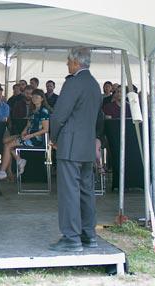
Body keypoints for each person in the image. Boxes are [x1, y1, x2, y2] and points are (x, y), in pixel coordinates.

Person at [48, 48, 101, 252]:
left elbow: (60, 114)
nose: (67, 64)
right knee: (86, 191)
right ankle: (89, 234)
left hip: (70, 143)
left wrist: (54, 138)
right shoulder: (94, 84)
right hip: (87, 144)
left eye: (69, 61)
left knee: (69, 191)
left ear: (77, 63)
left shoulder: (73, 83)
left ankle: (71, 237)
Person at [0, 89, 50, 180]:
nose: (34, 99)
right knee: (4, 140)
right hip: (28, 134)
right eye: (33, 97)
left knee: (7, 146)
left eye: (36, 97)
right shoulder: (33, 110)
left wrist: (31, 135)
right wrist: (23, 132)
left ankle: (3, 171)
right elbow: (29, 124)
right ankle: (19, 160)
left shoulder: (43, 111)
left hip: (35, 138)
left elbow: (45, 129)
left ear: (42, 99)